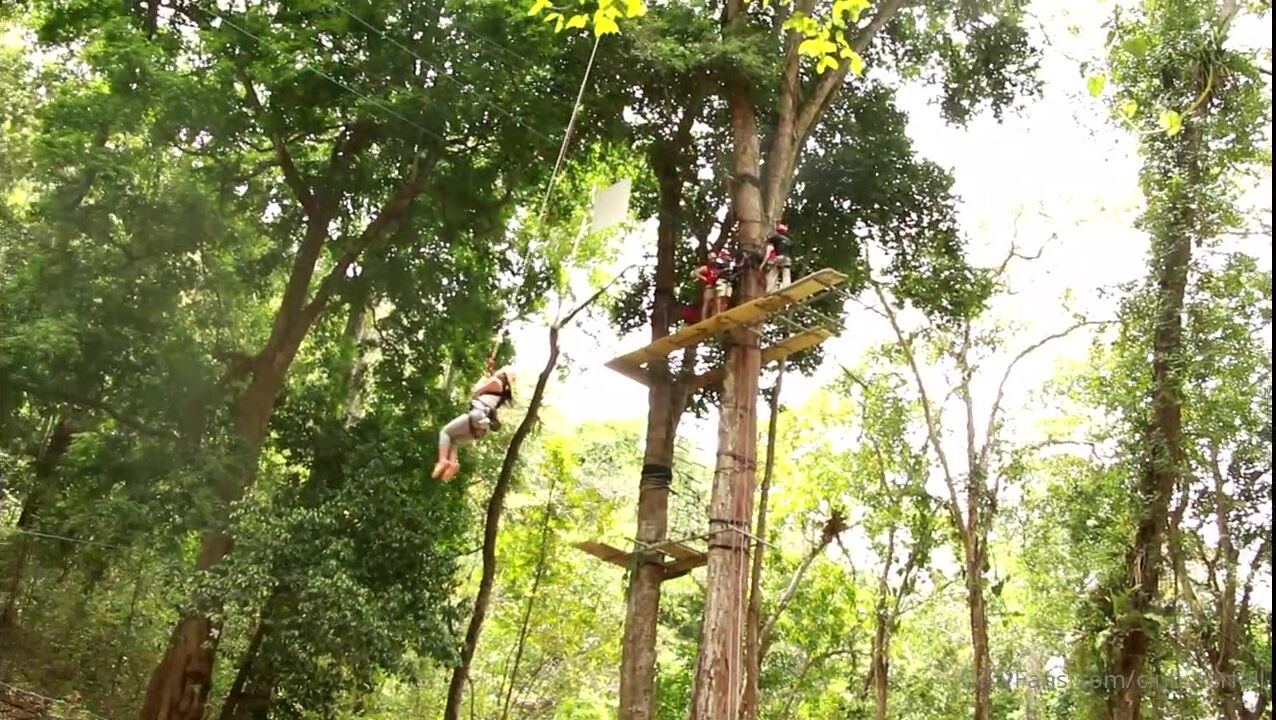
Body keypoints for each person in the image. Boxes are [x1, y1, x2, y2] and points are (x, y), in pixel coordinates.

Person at [432, 366, 516, 480]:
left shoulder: (496, 382)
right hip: (481, 428)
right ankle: (452, 463)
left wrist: (483, 379)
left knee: (445, 432)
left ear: (502, 374)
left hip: (477, 415)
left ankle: (442, 461)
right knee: (453, 441)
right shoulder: (499, 393)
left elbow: (476, 390)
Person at [763, 221, 794, 292]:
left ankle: (770, 290)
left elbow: (767, 240)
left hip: (779, 258)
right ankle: (787, 287)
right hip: (787, 259)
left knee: (773, 273)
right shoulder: (789, 241)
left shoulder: (777, 237)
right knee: (786, 274)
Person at [693, 252, 721, 320]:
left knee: (716, 302)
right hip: (709, 287)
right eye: (712, 258)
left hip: (715, 287)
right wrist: (703, 278)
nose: (713, 260)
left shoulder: (716, 268)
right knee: (706, 303)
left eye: (714, 258)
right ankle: (704, 319)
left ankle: (716, 316)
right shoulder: (706, 268)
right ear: (709, 259)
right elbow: (696, 272)